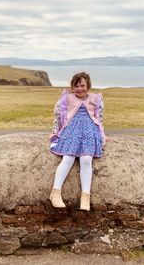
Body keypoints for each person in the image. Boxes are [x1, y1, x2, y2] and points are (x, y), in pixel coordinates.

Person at [49, 72, 106, 211]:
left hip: (89, 131)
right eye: (76, 86)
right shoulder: (66, 98)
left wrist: (102, 134)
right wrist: (55, 132)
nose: (80, 88)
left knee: (86, 159)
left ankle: (85, 196)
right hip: (72, 130)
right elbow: (58, 116)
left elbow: (99, 118)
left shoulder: (96, 98)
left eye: (82, 85)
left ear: (88, 85)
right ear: (72, 87)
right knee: (68, 157)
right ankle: (55, 192)